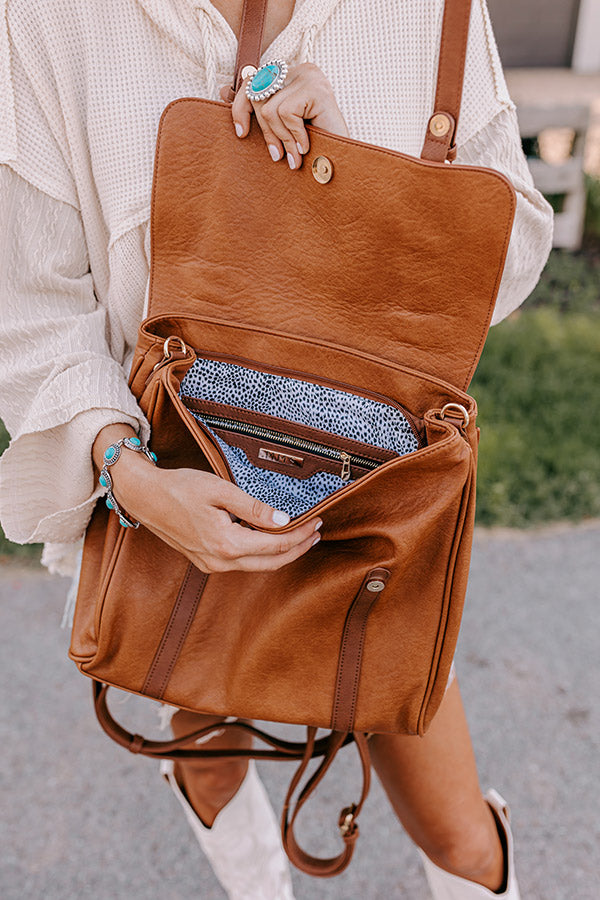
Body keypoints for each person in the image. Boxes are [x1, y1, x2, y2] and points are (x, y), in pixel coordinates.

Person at [0, 1, 553, 897]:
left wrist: (361, 178)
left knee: (459, 839)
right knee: (211, 765)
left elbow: (510, 251)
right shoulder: (55, 19)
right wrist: (129, 480)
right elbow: (31, 309)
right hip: (178, 493)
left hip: (382, 506)